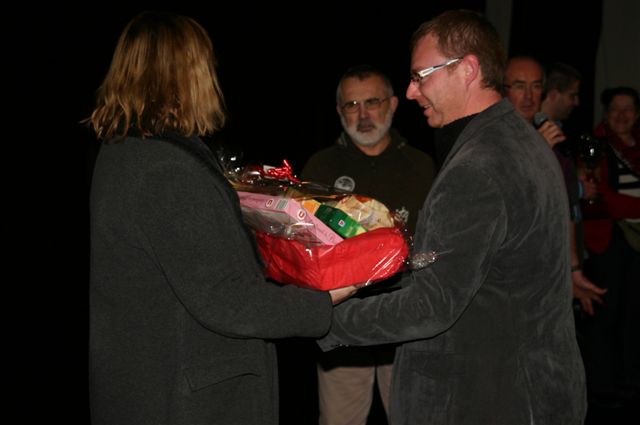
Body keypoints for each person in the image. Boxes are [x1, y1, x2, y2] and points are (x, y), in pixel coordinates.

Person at [317, 10, 587, 424]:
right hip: (535, 388)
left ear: (467, 69)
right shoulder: (520, 142)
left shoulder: (477, 167)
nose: (411, 92)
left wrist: (319, 318)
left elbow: (431, 305)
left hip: (489, 399)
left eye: (420, 76)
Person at [87, 11, 355, 425]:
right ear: (186, 74)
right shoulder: (165, 169)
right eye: (207, 65)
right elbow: (225, 300)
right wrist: (324, 299)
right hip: (187, 398)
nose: (213, 76)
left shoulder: (125, 152)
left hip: (151, 383)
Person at [302, 64, 435, 425]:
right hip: (344, 323)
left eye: (372, 102)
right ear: (338, 111)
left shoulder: (421, 165)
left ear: (393, 104)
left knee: (413, 417)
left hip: (407, 321)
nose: (362, 115)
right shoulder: (320, 167)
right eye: (352, 105)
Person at [503, 55, 605, 315]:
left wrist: (573, 269)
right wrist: (537, 153)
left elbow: (565, 208)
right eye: (519, 86)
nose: (529, 96)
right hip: (509, 273)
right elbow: (506, 202)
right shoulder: (493, 138)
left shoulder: (547, 135)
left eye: (536, 86)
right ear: (502, 91)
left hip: (548, 268)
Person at [578, 86, 640, 408]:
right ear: (606, 113)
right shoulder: (595, 145)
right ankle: (602, 387)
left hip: (636, 244)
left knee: (635, 314)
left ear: (637, 114)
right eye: (615, 109)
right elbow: (598, 198)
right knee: (606, 314)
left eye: (628, 109)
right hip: (608, 242)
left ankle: (630, 381)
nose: (622, 115)